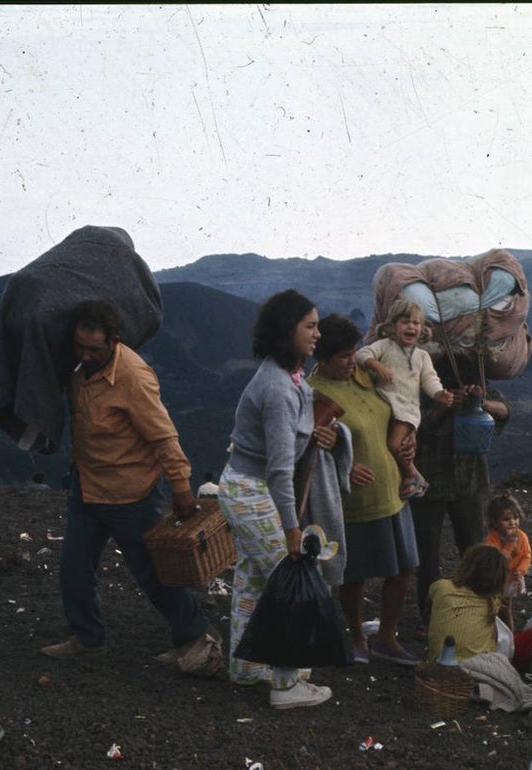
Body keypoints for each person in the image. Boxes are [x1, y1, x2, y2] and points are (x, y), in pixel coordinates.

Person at [40, 299, 219, 673]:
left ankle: (197, 641)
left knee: (155, 573)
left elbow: (163, 436)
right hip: (87, 486)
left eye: (94, 349)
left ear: (114, 341)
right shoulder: (77, 368)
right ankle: (88, 639)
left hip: (130, 493)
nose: (86, 355)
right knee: (73, 567)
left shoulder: (134, 376)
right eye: (80, 347)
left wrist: (182, 487)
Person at [217, 289, 350, 709]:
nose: (318, 333)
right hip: (254, 490)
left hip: (242, 486)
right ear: (286, 331)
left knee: (254, 579)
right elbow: (278, 470)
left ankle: (246, 668)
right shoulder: (277, 387)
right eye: (309, 326)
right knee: (290, 583)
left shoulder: (287, 375)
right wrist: (292, 530)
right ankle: (286, 685)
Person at [308, 313, 421, 667]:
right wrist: (344, 464)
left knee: (403, 569)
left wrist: (409, 439)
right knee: (353, 574)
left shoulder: (362, 376)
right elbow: (310, 443)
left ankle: (387, 637)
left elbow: (394, 407)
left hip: (392, 488)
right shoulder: (315, 393)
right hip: (354, 497)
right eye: (343, 356)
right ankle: (358, 637)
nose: (351, 360)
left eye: (354, 352)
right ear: (323, 358)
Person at [410, 355, 510, 638]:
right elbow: (419, 428)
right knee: (427, 554)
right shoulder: (425, 389)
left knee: (474, 548)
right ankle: (428, 617)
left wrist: (480, 401)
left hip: (469, 483)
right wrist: (444, 405)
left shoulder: (480, 385)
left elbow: (504, 411)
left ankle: (476, 610)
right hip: (430, 482)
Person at [356, 298, 454, 499]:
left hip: (405, 410)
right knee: (381, 445)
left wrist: (439, 393)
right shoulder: (384, 346)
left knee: (394, 445)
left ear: (422, 328)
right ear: (392, 327)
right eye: (405, 322)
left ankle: (413, 474)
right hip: (383, 404)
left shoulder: (422, 356)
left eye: (415, 323)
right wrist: (377, 365)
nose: (411, 327)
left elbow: (429, 379)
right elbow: (362, 354)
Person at [424, 543, 509, 662]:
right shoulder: (493, 602)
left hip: (436, 665)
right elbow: (508, 636)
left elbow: (427, 611)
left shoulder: (442, 587)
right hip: (476, 671)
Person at [482, 493, 531, 632]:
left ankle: (510, 638)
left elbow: (526, 556)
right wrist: (509, 544)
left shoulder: (522, 537)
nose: (513, 522)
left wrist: (520, 571)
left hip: (510, 580)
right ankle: (489, 634)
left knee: (506, 608)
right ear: (495, 522)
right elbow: (498, 561)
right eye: (506, 519)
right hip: (495, 581)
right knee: (491, 608)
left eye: (515, 518)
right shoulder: (492, 540)